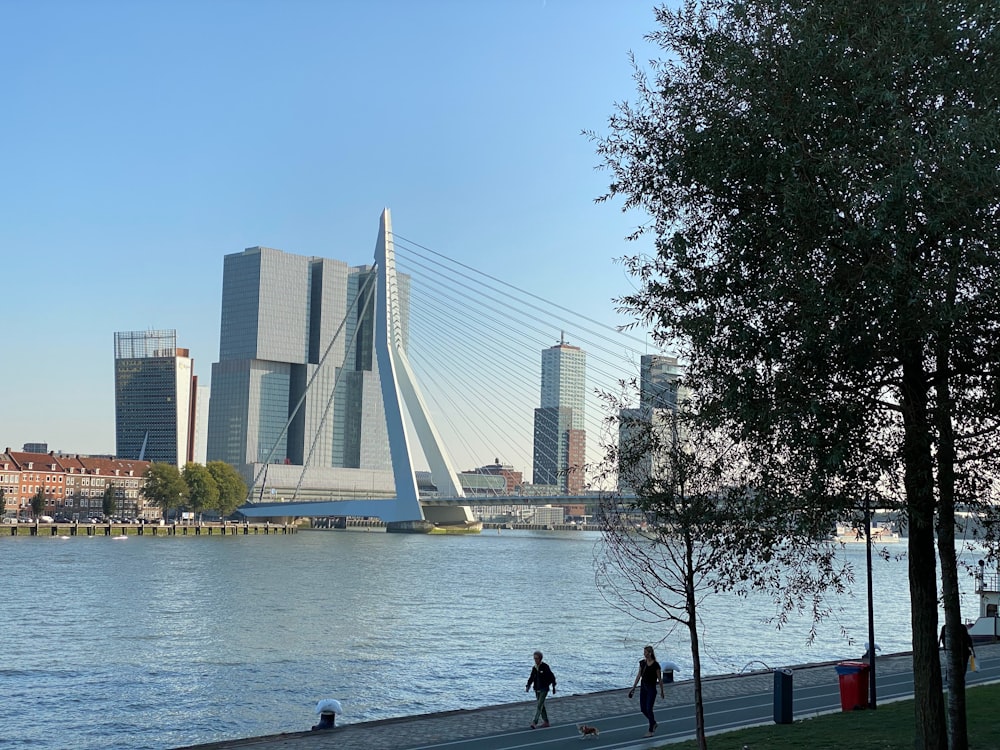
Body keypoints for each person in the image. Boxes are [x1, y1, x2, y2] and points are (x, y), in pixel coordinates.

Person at [628, 645, 665, 737]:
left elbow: (659, 679)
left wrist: (662, 691)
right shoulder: (642, 663)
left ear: (650, 653)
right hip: (643, 688)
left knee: (649, 708)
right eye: (644, 652)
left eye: (645, 652)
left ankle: (651, 730)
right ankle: (653, 723)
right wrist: (633, 687)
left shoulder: (656, 665)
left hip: (651, 689)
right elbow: (639, 675)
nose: (644, 654)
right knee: (643, 709)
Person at [525, 650, 556, 728]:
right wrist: (528, 685)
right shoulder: (534, 668)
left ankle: (534, 722)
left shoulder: (545, 667)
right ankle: (546, 722)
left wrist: (553, 686)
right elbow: (531, 677)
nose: (535, 660)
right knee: (541, 705)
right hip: (537, 689)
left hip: (544, 689)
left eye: (536, 658)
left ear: (540, 658)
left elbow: (551, 676)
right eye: (534, 658)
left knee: (539, 705)